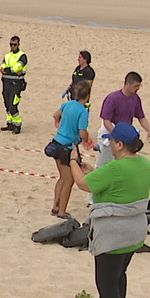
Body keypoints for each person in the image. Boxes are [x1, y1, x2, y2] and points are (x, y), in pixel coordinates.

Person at [68, 123, 150, 298]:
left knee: (106, 283)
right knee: (119, 277)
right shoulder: (144, 163)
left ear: (120, 144)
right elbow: (113, 182)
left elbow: (82, 184)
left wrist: (72, 162)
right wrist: (92, 171)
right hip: (134, 231)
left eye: (113, 141)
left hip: (114, 233)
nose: (110, 145)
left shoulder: (115, 168)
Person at [46, 80, 94, 219]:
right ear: (88, 96)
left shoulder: (67, 104)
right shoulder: (83, 111)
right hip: (67, 147)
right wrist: (87, 139)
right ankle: (61, 211)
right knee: (69, 180)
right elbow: (82, 133)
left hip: (56, 142)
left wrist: (62, 125)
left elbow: (56, 115)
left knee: (62, 178)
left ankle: (55, 207)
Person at [97, 72, 150, 169]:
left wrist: (149, 130)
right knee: (103, 167)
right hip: (110, 135)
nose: (138, 88)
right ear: (127, 84)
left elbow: (141, 117)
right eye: (136, 86)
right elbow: (106, 121)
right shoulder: (113, 98)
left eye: (139, 86)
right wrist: (117, 135)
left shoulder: (135, 98)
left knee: (121, 167)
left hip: (124, 137)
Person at [0, 35, 27, 133]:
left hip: (16, 83)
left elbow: (18, 68)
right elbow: (2, 66)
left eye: (14, 44)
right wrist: (8, 70)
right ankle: (10, 123)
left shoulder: (22, 55)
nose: (12, 46)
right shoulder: (7, 56)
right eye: (11, 44)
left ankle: (17, 125)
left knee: (13, 105)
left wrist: (7, 70)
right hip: (6, 83)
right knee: (7, 104)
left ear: (18, 44)